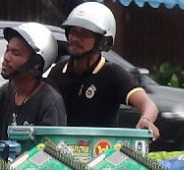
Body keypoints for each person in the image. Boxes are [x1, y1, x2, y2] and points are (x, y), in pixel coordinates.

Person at [47, 2, 160, 141]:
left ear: (103, 41)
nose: (75, 38)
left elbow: (148, 104)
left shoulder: (113, 74)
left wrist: (146, 119)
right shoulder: (58, 71)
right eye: (73, 32)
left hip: (100, 155)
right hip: (60, 152)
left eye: (84, 34)